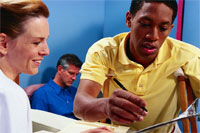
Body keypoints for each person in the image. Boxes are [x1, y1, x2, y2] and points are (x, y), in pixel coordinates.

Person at [73, 0, 200, 132]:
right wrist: (105, 106)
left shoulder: (189, 56)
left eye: (163, 28)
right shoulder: (104, 51)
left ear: (170, 28)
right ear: (129, 19)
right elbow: (80, 107)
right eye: (145, 24)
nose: (153, 36)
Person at [0, 0, 50, 132]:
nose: (46, 51)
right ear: (3, 44)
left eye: (46, 40)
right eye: (36, 42)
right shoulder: (10, 95)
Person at [31, 54, 82, 119]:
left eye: (76, 74)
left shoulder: (75, 92)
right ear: (60, 69)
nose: (74, 78)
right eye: (71, 73)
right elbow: (39, 123)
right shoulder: (42, 94)